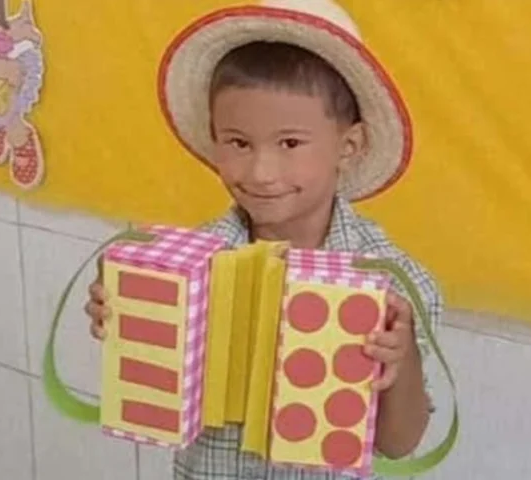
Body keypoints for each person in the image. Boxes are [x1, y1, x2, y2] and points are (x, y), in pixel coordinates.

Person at [85, 2, 444, 478]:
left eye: (290, 143)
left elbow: (399, 444)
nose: (261, 172)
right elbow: (155, 392)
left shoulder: (392, 282)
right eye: (238, 142)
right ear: (214, 138)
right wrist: (129, 312)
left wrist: (401, 355)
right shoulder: (193, 265)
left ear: (349, 146)